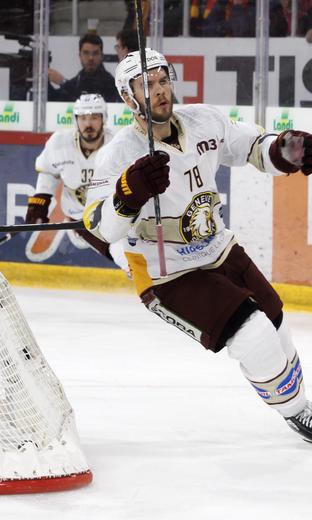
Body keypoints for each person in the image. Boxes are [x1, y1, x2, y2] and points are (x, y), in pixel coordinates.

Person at [84, 48, 312, 441]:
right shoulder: (118, 155)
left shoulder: (204, 120)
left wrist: (284, 150)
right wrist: (129, 192)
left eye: (163, 80)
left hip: (218, 246)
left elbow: (254, 147)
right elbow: (101, 227)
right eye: (147, 85)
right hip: (167, 271)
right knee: (252, 333)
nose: (159, 91)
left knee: (275, 323)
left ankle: (298, 404)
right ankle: (296, 412)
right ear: (127, 98)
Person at [25, 93, 130, 273]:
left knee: (129, 252)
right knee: (120, 255)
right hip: (80, 218)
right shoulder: (59, 143)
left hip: (112, 212)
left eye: (94, 117)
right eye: (83, 118)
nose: (88, 124)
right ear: (76, 120)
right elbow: (48, 171)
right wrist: (40, 200)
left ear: (104, 119)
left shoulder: (118, 143)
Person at [48, 34, 120, 103]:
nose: (90, 58)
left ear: (101, 56)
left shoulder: (109, 82)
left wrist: (63, 82)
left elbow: (89, 100)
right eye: (86, 53)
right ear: (80, 56)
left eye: (95, 53)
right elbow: (57, 99)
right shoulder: (78, 79)